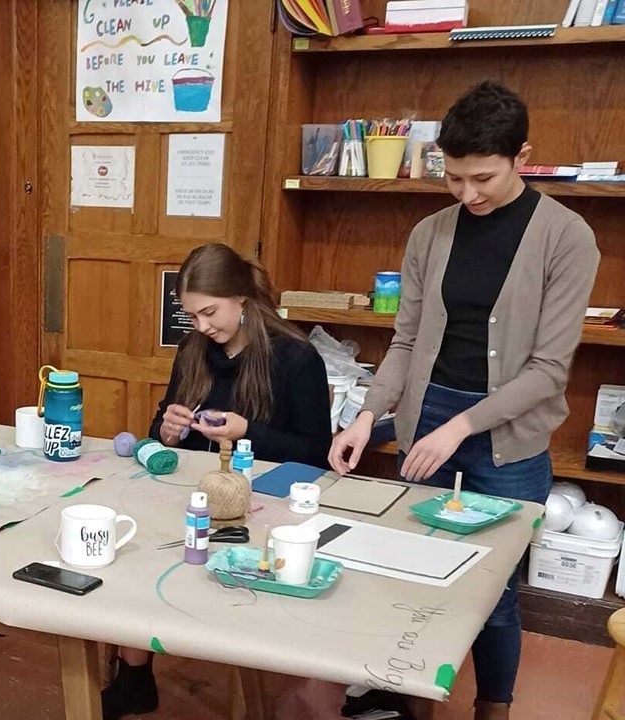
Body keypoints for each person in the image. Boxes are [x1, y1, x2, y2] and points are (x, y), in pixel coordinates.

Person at [329, 81, 600, 720]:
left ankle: (493, 707)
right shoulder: (430, 233)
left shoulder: (567, 236)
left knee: (495, 590)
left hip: (508, 440)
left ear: (522, 157)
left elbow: (548, 370)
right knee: (413, 566)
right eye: (453, 179)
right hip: (428, 418)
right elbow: (405, 341)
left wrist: (460, 429)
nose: (467, 194)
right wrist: (366, 417)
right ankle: (400, 690)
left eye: (483, 178)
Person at [102, 243, 333, 720]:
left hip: (263, 506)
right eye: (193, 316)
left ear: (243, 299)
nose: (202, 327)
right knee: (133, 552)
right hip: (192, 496)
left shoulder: (296, 358)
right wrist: (165, 429)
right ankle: (135, 676)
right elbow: (160, 433)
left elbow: (316, 454)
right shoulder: (193, 350)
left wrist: (248, 431)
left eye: (210, 313)